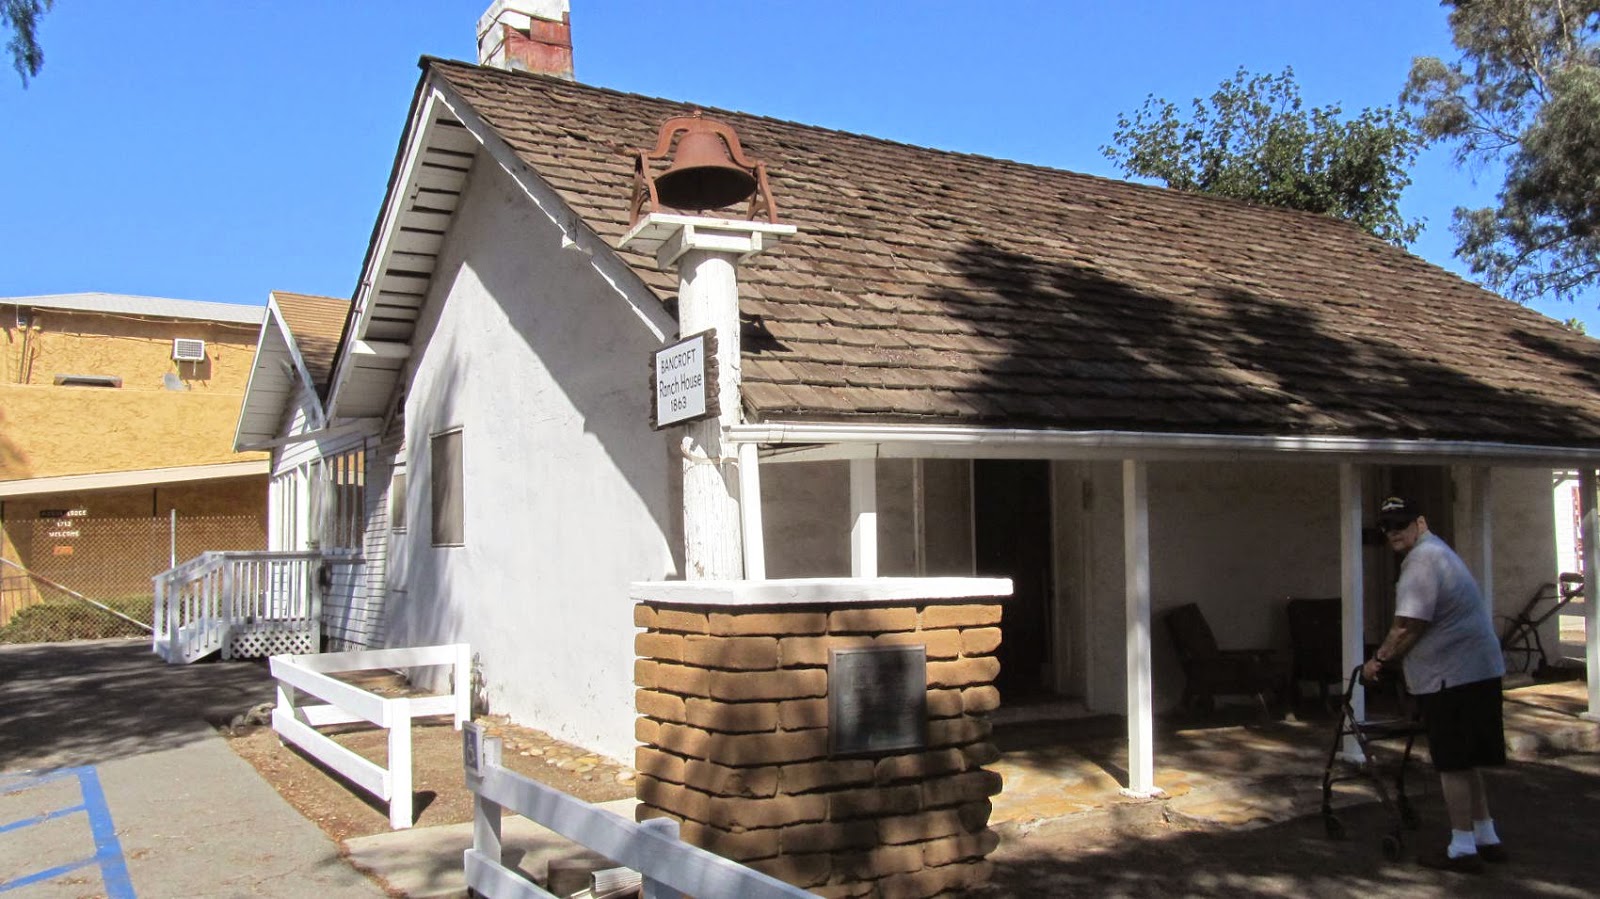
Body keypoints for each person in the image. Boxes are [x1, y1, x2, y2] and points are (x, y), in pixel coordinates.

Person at [1362, 495, 1507, 873]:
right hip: (1477, 671)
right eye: (1387, 527)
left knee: (1452, 764)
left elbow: (1410, 623)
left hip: (1453, 677)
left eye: (1401, 524)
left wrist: (1377, 662)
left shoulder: (1422, 561)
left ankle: (1462, 848)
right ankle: (1486, 835)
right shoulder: (1438, 552)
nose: (1393, 532)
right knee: (1469, 759)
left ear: (1420, 524)